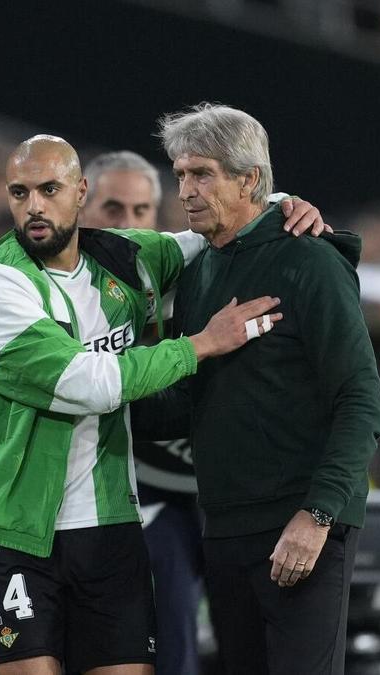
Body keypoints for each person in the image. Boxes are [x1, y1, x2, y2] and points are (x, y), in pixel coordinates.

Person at [0, 134, 323, 675]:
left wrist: (283, 206)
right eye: (20, 192)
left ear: (80, 192)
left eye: (49, 189)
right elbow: (89, 382)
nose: (34, 205)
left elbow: (207, 235)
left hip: (110, 526)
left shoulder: (126, 260)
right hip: (16, 532)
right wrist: (202, 343)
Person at [138, 103, 380, 675]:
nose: (187, 190)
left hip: (300, 524)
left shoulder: (309, 260)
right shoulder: (201, 271)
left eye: (203, 174)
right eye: (180, 175)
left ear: (250, 179)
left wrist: (317, 515)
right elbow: (191, 404)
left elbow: (361, 398)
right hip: (225, 527)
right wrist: (98, 399)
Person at [82, 148, 329, 675]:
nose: (128, 226)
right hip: (144, 491)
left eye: (141, 211)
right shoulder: (63, 294)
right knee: (170, 627)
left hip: (228, 493)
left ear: (160, 218)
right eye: (112, 210)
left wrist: (285, 203)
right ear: (82, 210)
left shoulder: (188, 267)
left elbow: (249, 216)